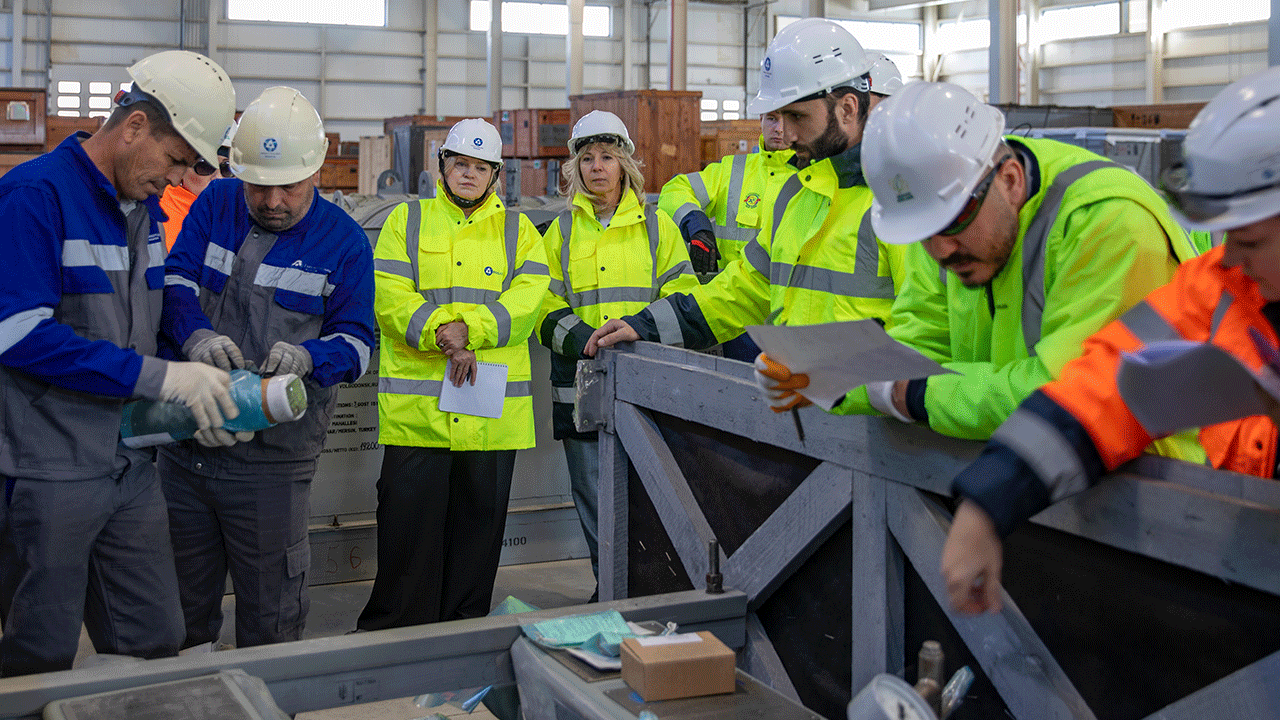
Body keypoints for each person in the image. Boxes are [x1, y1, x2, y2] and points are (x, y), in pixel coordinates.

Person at [940, 66, 1280, 615]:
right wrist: (986, 505)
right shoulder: (1222, 289)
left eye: (1249, 238)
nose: (1230, 257)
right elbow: (1101, 388)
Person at [752, 81, 1201, 444]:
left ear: (1009, 180)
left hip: (1162, 509)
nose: (941, 252)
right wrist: (824, 374)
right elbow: (916, 348)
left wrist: (915, 396)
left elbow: (1069, 396)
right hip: (1017, 487)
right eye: (923, 236)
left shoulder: (1108, 224)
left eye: (953, 224)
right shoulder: (944, 219)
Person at [0, 50, 237, 676]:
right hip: (48, 467)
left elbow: (145, 322)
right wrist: (160, 377)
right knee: (40, 653)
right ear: (133, 127)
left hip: (130, 464)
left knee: (155, 638)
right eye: (177, 160)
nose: (182, 180)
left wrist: (191, 367)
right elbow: (18, 333)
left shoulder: (145, 217)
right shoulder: (33, 197)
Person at [159, 87, 375, 650]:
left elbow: (357, 344)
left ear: (316, 170)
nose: (272, 199)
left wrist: (310, 357)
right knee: (177, 606)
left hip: (271, 464)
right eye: (258, 185)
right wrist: (194, 333)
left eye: (288, 186)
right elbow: (177, 280)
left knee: (270, 612)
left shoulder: (344, 242)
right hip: (187, 443)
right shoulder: (215, 205)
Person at [587, 19, 907, 377]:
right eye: (776, 116)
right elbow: (742, 290)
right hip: (800, 411)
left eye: (797, 116)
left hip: (872, 422)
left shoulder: (903, 201)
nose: (783, 133)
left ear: (847, 109)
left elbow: (928, 330)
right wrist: (647, 325)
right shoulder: (798, 194)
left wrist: (841, 382)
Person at [357, 118, 548, 629]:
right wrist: (442, 331)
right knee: (406, 521)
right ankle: (398, 626)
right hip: (419, 410)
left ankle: (465, 627)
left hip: (489, 413)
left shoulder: (521, 231)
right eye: (460, 164)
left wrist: (473, 331)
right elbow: (388, 293)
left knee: (479, 526)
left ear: (496, 176)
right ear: (442, 167)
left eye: (479, 168)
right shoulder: (407, 221)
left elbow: (528, 303)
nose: (469, 175)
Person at [538, 110, 699, 597]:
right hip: (581, 386)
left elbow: (685, 292)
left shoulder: (658, 227)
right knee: (590, 492)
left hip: (646, 383)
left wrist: (641, 332)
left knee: (650, 492)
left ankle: (648, 586)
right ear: (574, 169)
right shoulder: (561, 233)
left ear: (625, 162)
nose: (597, 167)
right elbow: (540, 302)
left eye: (607, 156)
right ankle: (607, 586)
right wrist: (583, 337)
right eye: (586, 158)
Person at [657, 105, 795, 362]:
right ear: (761, 119)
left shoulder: (813, 177)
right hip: (734, 321)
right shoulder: (734, 169)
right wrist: (695, 222)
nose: (780, 129)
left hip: (791, 324)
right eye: (772, 118)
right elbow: (675, 189)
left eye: (789, 119)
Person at [160, 158, 221, 252]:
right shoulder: (156, 215)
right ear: (180, 169)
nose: (218, 176)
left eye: (227, 168)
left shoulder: (239, 213)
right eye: (205, 167)